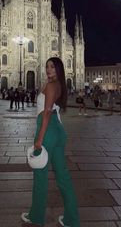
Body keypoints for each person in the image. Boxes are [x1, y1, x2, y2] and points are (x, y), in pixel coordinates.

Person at [21, 57, 80, 227]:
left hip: (47, 130)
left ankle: (36, 216)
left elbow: (46, 112)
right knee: (63, 177)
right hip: (58, 131)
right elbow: (54, 111)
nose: (48, 69)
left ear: (59, 69)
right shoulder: (59, 85)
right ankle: (71, 219)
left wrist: (39, 139)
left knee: (40, 176)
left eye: (52, 67)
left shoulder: (51, 85)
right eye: (47, 66)